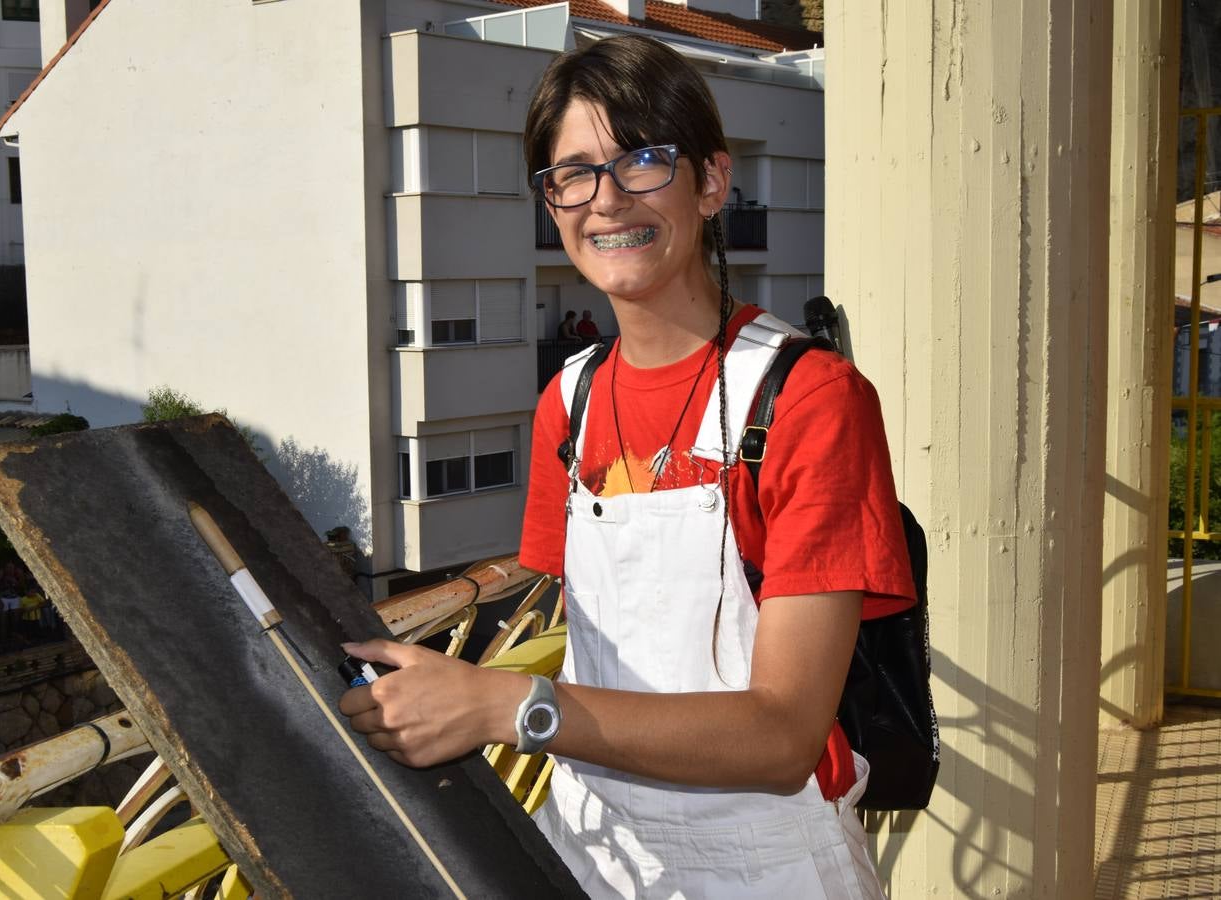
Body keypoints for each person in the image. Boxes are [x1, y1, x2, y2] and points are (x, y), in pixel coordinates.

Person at [340, 34, 914, 898]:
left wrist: (505, 706)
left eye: (642, 159)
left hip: (763, 865)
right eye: (573, 173)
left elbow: (785, 734)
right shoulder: (567, 401)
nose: (606, 200)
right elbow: (601, 635)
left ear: (712, 182)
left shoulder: (807, 398)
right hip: (590, 848)